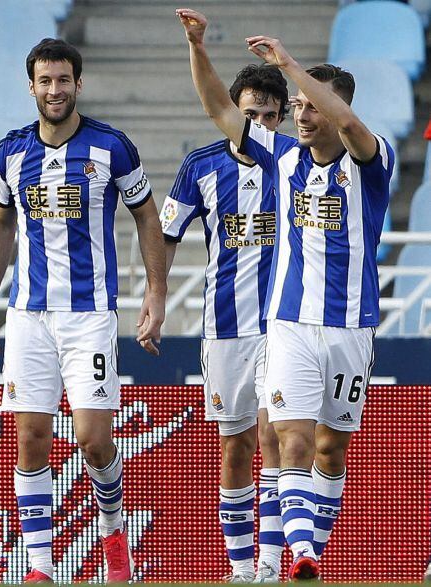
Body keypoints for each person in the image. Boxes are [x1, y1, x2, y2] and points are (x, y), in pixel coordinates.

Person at [176, 8, 393, 581]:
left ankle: (307, 549)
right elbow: (220, 109)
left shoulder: (373, 160)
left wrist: (292, 65)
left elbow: (351, 128)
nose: (298, 114)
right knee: (289, 442)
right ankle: (298, 554)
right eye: (294, 106)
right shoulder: (283, 156)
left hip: (351, 325)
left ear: (333, 108)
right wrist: (198, 47)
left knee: (330, 450)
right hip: (289, 325)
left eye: (307, 105)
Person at [0, 38, 166, 583]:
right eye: (45, 81)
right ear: (30, 85)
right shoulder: (10, 152)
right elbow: (1, 224)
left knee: (91, 437)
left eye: (64, 80)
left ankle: (112, 527)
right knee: (31, 436)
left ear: (78, 84)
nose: (54, 90)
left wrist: (155, 292)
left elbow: (148, 217)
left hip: (90, 317)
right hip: (29, 316)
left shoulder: (112, 148)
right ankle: (39, 567)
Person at [159, 63, 287, 583]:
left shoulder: (290, 162)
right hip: (225, 327)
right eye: (249, 113)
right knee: (236, 444)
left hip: (283, 323)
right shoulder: (200, 165)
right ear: (232, 112)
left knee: (274, 433)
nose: (258, 123)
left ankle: (273, 563)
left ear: (280, 121)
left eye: (268, 116)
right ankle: (239, 568)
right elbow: (164, 232)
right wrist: (154, 296)